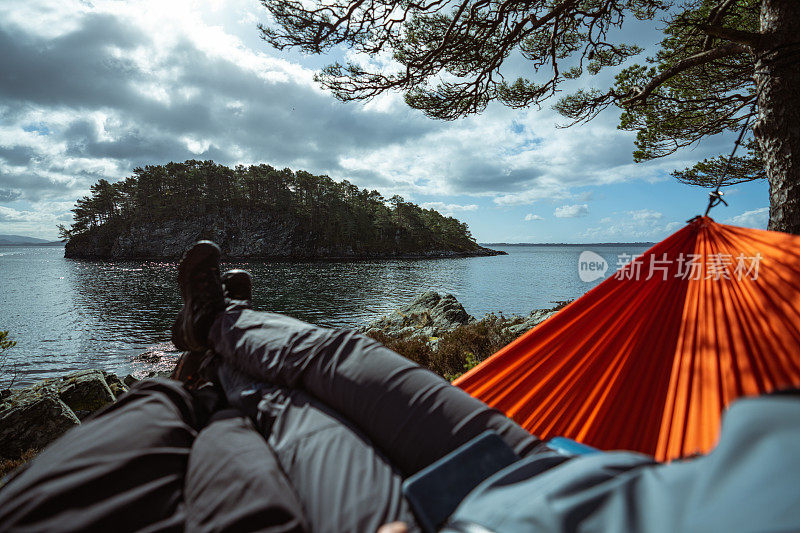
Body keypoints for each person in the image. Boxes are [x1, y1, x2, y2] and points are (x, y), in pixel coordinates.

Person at [1, 241, 799, 532]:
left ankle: (208, 354)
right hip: (543, 464)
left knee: (286, 406)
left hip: (426, 518)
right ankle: (213, 324)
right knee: (334, 352)